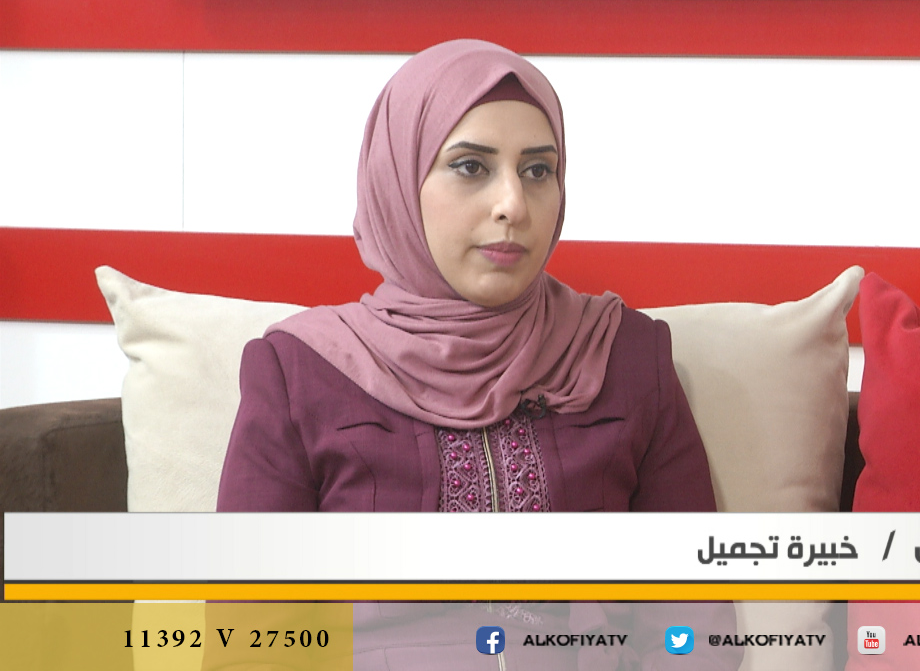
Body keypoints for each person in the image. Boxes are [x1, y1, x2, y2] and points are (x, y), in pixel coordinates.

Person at [215, 39, 741, 669]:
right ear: (398, 180)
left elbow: (692, 629)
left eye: (538, 171)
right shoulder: (301, 371)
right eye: (471, 166)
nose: (512, 204)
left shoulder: (622, 354)